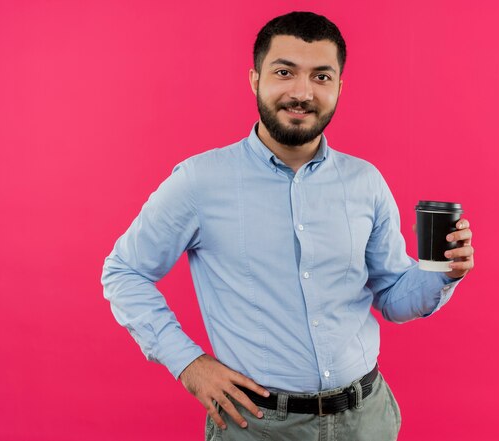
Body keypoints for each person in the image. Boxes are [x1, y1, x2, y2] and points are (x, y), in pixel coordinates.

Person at [101, 11, 474, 441]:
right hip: (258, 426)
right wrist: (187, 363)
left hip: (366, 419)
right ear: (255, 78)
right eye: (284, 72)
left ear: (338, 87)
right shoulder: (199, 181)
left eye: (321, 77)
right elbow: (123, 271)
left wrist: (443, 273)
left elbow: (391, 295)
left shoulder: (365, 182)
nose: (302, 92)